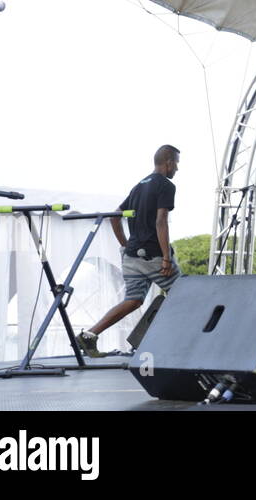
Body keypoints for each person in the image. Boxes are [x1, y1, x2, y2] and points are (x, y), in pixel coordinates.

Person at [77, 145, 183, 356]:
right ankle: (176, 346)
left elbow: (114, 216)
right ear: (169, 162)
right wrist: (165, 259)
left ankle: (89, 335)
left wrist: (125, 246)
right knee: (184, 295)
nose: (177, 169)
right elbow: (161, 221)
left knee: (133, 300)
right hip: (153, 256)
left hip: (132, 256)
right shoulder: (166, 185)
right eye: (177, 164)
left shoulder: (139, 186)